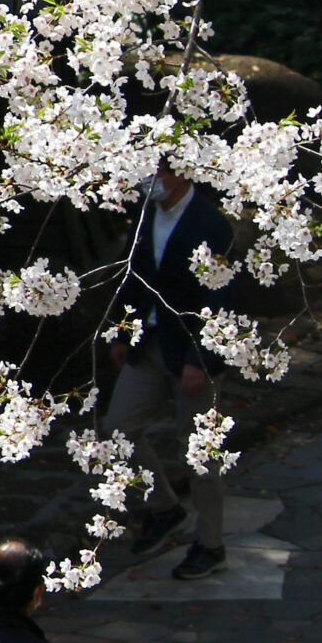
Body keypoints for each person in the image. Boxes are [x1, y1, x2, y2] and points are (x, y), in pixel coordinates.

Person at [109, 165, 238, 580]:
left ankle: (211, 543)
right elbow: (132, 276)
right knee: (118, 427)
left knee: (200, 452)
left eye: (160, 171)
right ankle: (163, 508)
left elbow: (221, 297)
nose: (151, 179)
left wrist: (200, 360)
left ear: (182, 173)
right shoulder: (148, 215)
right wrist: (120, 331)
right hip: (148, 340)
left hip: (189, 347)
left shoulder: (211, 223)